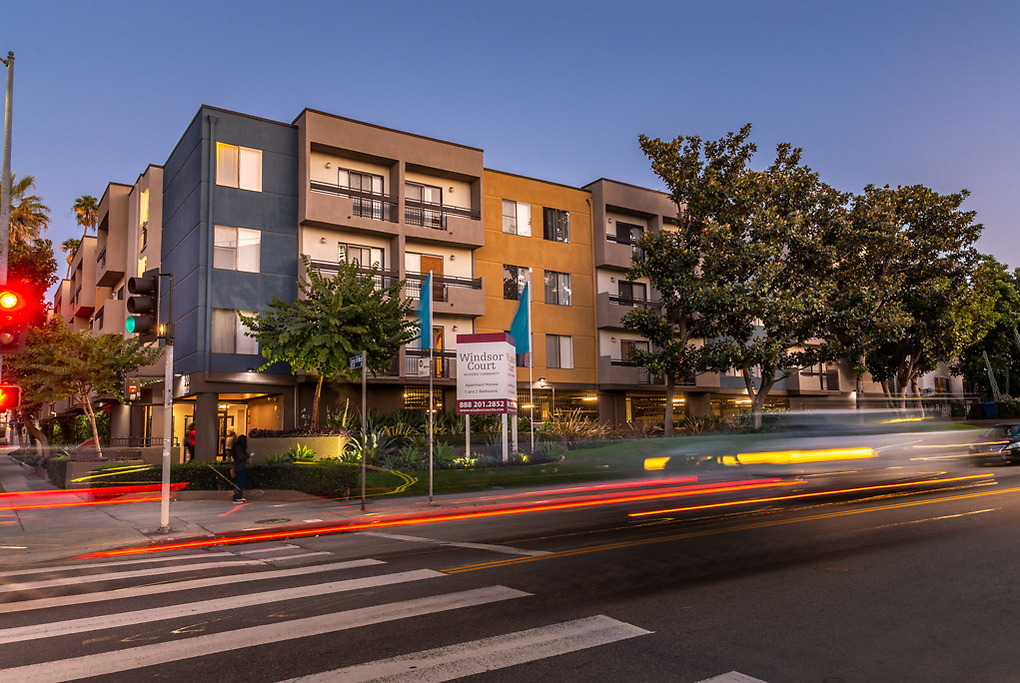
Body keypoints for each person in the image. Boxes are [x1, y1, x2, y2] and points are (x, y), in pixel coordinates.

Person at [230, 432, 251, 503]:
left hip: (239, 466)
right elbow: (241, 457)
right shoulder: (239, 448)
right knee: (239, 482)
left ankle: (239, 496)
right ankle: (236, 497)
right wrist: (248, 456)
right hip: (239, 467)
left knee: (240, 482)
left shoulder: (237, 447)